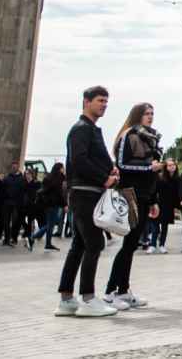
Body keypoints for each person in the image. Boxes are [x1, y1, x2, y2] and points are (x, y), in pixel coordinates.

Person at [56, 85, 121, 318]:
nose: (104, 105)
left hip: (88, 192)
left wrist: (110, 168)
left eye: (106, 101)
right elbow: (79, 160)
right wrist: (104, 177)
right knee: (95, 243)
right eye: (100, 100)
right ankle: (88, 298)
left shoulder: (90, 129)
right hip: (84, 193)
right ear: (86, 101)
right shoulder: (81, 129)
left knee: (79, 245)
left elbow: (91, 158)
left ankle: (66, 299)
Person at [104, 102, 163, 309]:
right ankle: (112, 291)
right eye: (147, 113)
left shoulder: (150, 137)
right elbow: (122, 164)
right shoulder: (128, 135)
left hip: (145, 195)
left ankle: (123, 290)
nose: (150, 116)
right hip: (131, 194)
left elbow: (153, 174)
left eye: (152, 113)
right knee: (128, 244)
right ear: (138, 115)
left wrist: (154, 199)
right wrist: (149, 166)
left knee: (132, 245)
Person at [32, 163, 68, 251]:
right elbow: (59, 194)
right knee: (51, 223)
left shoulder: (48, 177)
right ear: (59, 169)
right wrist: (65, 205)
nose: (64, 169)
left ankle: (48, 244)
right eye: (63, 168)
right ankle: (33, 237)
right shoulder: (58, 179)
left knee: (51, 224)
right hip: (53, 204)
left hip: (47, 204)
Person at [150, 159, 179, 254]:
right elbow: (154, 191)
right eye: (169, 165)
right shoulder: (159, 177)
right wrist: (153, 204)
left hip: (168, 205)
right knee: (155, 227)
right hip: (158, 204)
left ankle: (162, 245)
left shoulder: (177, 179)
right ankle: (152, 245)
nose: (172, 167)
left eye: (173, 165)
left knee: (165, 226)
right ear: (166, 167)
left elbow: (177, 194)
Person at [0, 161, 26, 246]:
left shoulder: (22, 178)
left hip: (16, 204)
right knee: (6, 222)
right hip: (7, 203)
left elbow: (23, 192)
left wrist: (21, 202)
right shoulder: (7, 178)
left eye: (16, 167)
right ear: (11, 168)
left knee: (15, 222)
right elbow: (2, 189)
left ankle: (13, 237)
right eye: (13, 167)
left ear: (18, 168)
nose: (14, 168)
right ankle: (7, 239)